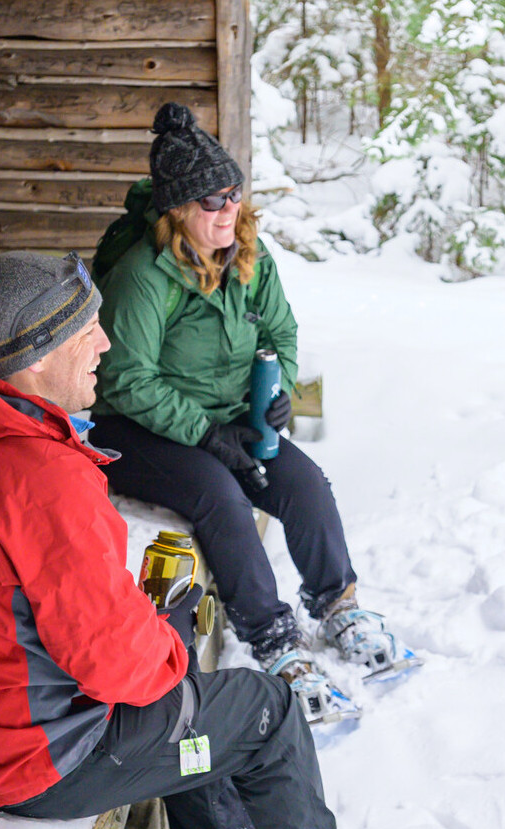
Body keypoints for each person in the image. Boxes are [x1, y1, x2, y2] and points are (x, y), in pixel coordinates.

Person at [0, 251, 408, 829]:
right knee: (261, 709)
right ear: (37, 355)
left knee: (183, 669)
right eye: (88, 330)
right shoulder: (37, 476)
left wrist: (155, 632)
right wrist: (165, 639)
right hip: (35, 761)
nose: (105, 344)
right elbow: (126, 670)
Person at [87, 102, 413, 717]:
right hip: (132, 428)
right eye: (211, 200)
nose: (228, 208)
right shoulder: (141, 276)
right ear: (178, 210)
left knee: (304, 483)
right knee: (221, 497)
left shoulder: (246, 255)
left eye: (234, 193)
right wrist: (207, 435)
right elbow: (125, 378)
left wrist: (276, 394)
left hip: (225, 420)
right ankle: (274, 638)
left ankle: (337, 605)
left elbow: (283, 335)